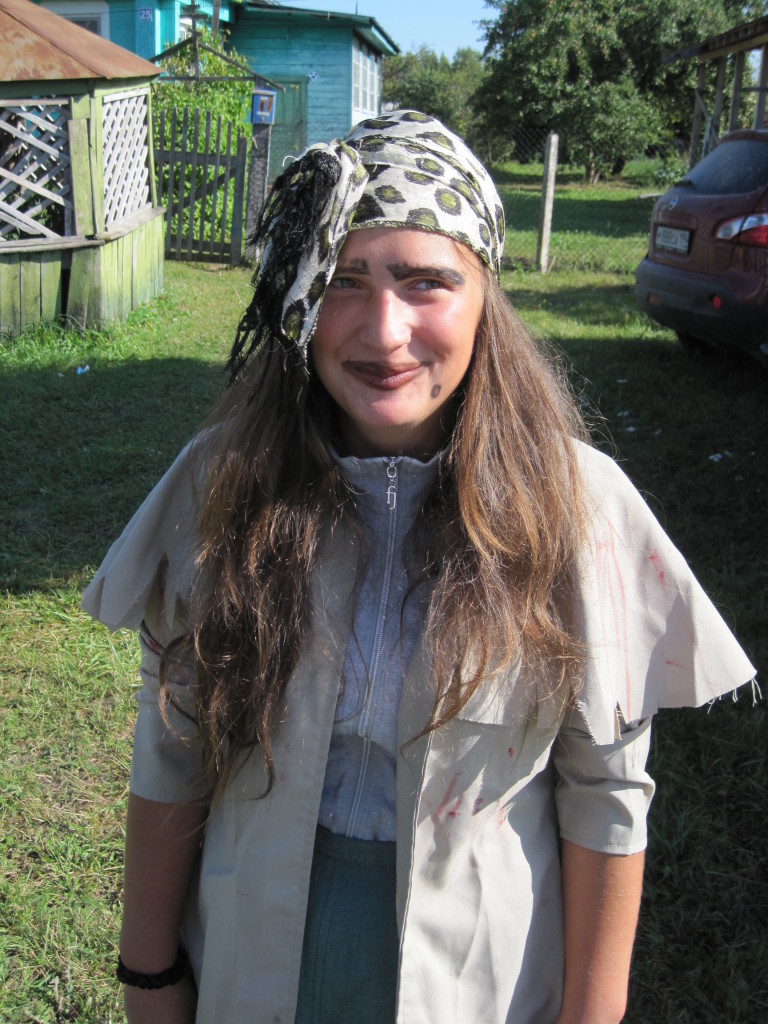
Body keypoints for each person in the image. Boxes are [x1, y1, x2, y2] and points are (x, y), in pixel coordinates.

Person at [82, 110, 755, 1024]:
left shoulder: (577, 507)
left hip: (481, 981)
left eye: (426, 281)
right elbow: (173, 742)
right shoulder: (223, 483)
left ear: (486, 298)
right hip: (251, 960)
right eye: (345, 281)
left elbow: (607, 791)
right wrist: (150, 976)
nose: (383, 331)